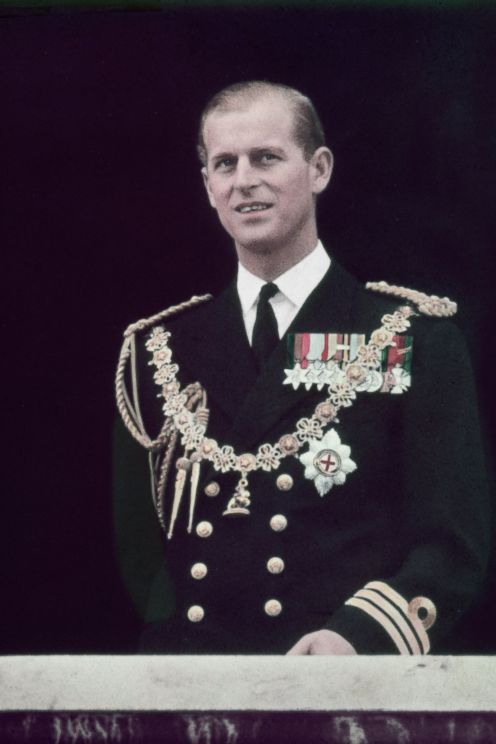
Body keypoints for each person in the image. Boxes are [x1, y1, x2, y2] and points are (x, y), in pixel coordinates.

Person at [114, 82, 489, 655]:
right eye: (224, 163)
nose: (244, 180)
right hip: (190, 685)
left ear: (318, 169)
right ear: (208, 186)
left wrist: (357, 638)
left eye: (267, 157)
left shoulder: (413, 338)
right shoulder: (157, 351)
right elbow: (138, 556)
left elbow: (450, 546)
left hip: (338, 685)